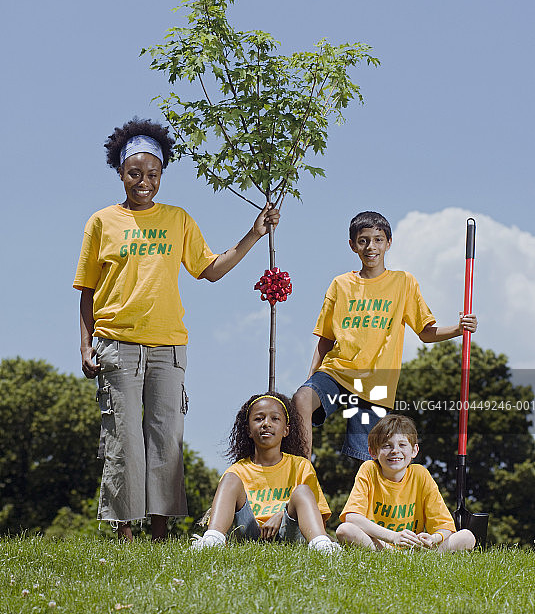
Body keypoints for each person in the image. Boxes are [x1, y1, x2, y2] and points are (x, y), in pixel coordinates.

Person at [74, 117, 279, 541]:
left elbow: (210, 269)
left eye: (152, 174)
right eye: (135, 174)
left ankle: (161, 532)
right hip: (116, 344)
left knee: (166, 440)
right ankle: (126, 534)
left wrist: (253, 235)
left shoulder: (178, 219)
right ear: (120, 172)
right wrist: (84, 344)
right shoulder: (101, 222)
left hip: (169, 348)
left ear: (162, 174)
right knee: (124, 441)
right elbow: (87, 291)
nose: (144, 182)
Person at [293, 211, 478, 460]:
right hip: (336, 372)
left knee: (364, 461)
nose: (371, 247)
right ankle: (303, 477)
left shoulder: (403, 283)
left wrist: (458, 328)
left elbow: (425, 332)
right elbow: (326, 338)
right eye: (363, 240)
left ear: (388, 242)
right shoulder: (340, 284)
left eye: (378, 240)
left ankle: (364, 497)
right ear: (352, 245)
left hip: (376, 384)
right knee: (301, 400)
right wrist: (311, 379)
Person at [191, 392, 340, 553]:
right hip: (251, 534)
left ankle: (322, 547)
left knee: (303, 490)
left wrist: (283, 514)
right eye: (259, 419)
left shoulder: (301, 466)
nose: (266, 424)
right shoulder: (237, 470)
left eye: (275, 419)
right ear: (248, 430)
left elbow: (319, 519)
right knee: (229, 480)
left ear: (286, 430)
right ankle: (212, 541)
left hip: (289, 533)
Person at [336, 414, 475, 551]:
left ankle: (425, 559)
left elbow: (445, 527)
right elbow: (352, 517)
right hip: (382, 545)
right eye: (386, 445)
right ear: (373, 452)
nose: (395, 451)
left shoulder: (420, 474)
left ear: (414, 450)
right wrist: (393, 537)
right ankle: (393, 554)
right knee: (345, 530)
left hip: (414, 548)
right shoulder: (369, 469)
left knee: (467, 537)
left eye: (402, 445)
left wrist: (433, 539)